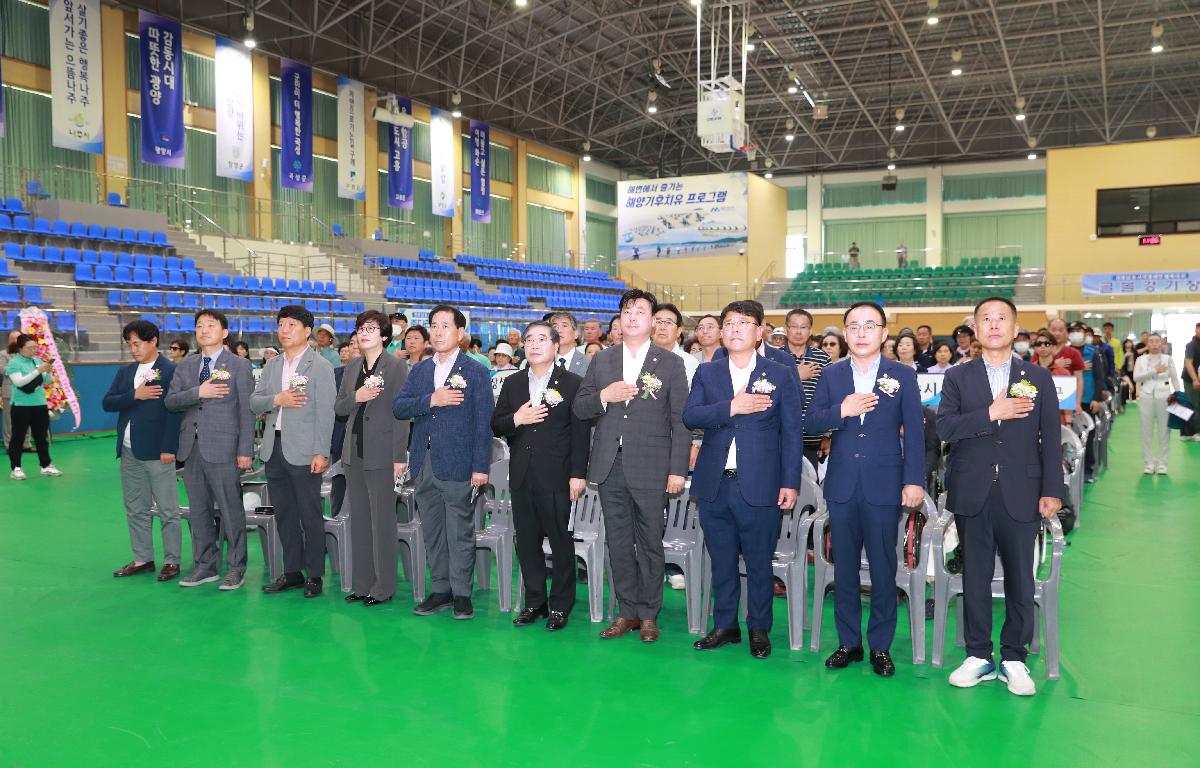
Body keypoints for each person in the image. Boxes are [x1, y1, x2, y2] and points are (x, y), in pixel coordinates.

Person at [937, 296, 1063, 697]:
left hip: (1022, 491)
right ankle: (978, 655)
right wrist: (992, 412)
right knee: (973, 576)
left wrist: (1051, 491)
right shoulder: (958, 377)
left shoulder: (1037, 377)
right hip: (972, 490)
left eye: (1001, 319)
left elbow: (1050, 438)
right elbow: (946, 429)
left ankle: (1014, 657)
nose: (993, 325)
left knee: (1020, 579)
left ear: (1014, 327)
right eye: (985, 319)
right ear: (975, 329)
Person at [803, 301, 925, 678]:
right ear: (844, 331)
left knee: (884, 569)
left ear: (884, 333)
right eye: (853, 326)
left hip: (884, 484)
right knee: (844, 570)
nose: (860, 333)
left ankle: (881, 647)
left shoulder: (901, 375)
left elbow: (916, 432)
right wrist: (843, 408)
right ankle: (849, 643)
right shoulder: (833, 375)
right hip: (841, 483)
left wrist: (914, 480)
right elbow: (811, 420)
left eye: (869, 326)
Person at [685, 300, 801, 660]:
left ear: (759, 331)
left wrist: (790, 481)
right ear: (721, 331)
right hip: (715, 484)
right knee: (720, 560)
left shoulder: (780, 373)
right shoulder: (708, 372)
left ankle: (759, 627)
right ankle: (725, 625)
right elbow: (691, 415)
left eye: (744, 323)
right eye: (729, 323)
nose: (735, 329)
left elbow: (792, 431)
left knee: (758, 562)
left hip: (761, 483)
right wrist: (730, 407)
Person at [574, 289, 690, 643]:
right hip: (610, 465)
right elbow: (580, 408)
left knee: (651, 542)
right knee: (619, 543)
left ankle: (649, 614)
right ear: (620, 319)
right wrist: (602, 398)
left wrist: (677, 471)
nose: (632, 316)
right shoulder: (603, 360)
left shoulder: (670, 363)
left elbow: (680, 422)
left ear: (653, 320)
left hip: (653, 467)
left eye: (640, 310)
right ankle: (626, 612)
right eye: (627, 310)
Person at [393, 304, 494, 620]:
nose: (437, 331)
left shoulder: (475, 371)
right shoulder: (420, 370)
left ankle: (462, 593)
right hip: (424, 465)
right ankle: (441, 590)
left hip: (459, 464)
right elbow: (400, 407)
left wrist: (480, 467)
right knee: (433, 531)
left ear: (460, 334)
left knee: (459, 531)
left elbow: (483, 423)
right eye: (433, 325)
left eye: (445, 326)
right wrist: (430, 400)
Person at [493, 321, 590, 631]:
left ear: (556, 346)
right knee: (527, 543)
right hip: (521, 474)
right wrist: (517, 419)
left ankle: (561, 606)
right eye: (529, 339)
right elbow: (497, 425)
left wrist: (578, 474)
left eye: (541, 339)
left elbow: (580, 434)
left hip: (557, 476)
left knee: (561, 543)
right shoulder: (513, 382)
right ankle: (535, 601)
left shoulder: (572, 383)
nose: (534, 345)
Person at [250, 305, 337, 598]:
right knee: (284, 513)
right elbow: (255, 402)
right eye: (281, 325)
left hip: (305, 451)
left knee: (309, 514)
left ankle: (314, 574)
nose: (284, 330)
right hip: (273, 449)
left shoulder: (320, 366)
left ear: (306, 331)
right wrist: (278, 398)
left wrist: (321, 452)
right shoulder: (272, 366)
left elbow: (326, 413)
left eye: (291, 325)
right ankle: (292, 572)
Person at [164, 310, 255, 589]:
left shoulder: (239, 365)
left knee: (231, 510)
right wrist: (198, 393)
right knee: (199, 510)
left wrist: (245, 450)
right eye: (199, 326)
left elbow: (246, 412)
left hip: (225, 448)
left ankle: (236, 567)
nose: (204, 330)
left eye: (211, 325)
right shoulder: (186, 365)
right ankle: (205, 566)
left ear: (224, 332)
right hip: (191, 449)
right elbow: (171, 401)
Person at [336, 310, 411, 605]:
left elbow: (402, 414)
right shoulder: (352, 366)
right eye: (360, 328)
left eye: (370, 328)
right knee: (360, 522)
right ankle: (362, 583)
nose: (363, 333)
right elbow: (339, 407)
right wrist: (357, 396)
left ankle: (384, 587)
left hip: (382, 452)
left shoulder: (396, 367)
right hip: (353, 452)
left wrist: (399, 456)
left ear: (383, 335)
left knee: (382, 523)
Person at [102, 320, 182, 581]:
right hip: (128, 452)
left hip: (158, 452)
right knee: (135, 508)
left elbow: (175, 412)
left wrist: (169, 447)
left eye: (137, 344)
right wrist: (134, 395)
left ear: (153, 341)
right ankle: (142, 558)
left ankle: (172, 561)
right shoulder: (126, 372)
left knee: (168, 510)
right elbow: (108, 402)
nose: (133, 349)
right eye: (129, 345)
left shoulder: (169, 371)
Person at [5, 333, 60, 479]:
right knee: (18, 437)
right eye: (30, 348)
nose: (33, 350)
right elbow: (20, 382)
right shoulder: (14, 363)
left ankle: (46, 466)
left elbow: (46, 381)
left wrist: (48, 372)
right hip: (21, 405)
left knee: (41, 437)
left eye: (35, 347)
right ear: (20, 348)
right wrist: (38, 371)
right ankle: (16, 468)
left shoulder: (37, 360)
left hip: (39, 404)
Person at [784, 309, 831, 471]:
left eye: (803, 327)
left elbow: (831, 398)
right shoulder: (773, 357)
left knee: (810, 491)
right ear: (786, 329)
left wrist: (828, 435)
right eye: (794, 327)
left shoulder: (822, 358)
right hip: (780, 438)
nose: (798, 332)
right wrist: (796, 376)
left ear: (810, 330)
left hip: (813, 440)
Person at [1134, 333, 1181, 474]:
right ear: (1147, 344)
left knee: (1164, 431)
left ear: (1162, 344)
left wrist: (1178, 395)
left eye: (1157, 341)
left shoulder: (1168, 359)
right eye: (1151, 342)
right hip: (1146, 396)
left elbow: (1175, 379)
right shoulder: (1140, 360)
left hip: (1165, 396)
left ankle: (1162, 464)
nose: (1154, 344)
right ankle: (1149, 463)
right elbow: (1136, 377)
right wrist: (1154, 370)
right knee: (1146, 431)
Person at [652, 303, 699, 388]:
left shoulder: (690, 363)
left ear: (678, 331)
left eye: (668, 323)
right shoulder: (639, 358)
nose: (662, 327)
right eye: (658, 322)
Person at [550, 312, 590, 377]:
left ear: (576, 334)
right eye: (555, 327)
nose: (559, 330)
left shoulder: (588, 363)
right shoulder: (542, 361)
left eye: (564, 326)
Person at [0, 329, 20, 451]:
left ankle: (26, 444)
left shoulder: (26, 354)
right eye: (13, 338)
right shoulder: (3, 354)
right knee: (8, 421)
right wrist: (18, 369)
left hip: (25, 391)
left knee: (25, 419)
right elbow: (2, 369)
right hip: (9, 391)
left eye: (18, 338)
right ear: (9, 340)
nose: (15, 341)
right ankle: (9, 446)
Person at [1183, 322, 1200, 441]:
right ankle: (1191, 433)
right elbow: (1188, 363)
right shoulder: (1191, 345)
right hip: (1191, 379)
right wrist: (1195, 379)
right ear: (1196, 330)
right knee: (1193, 405)